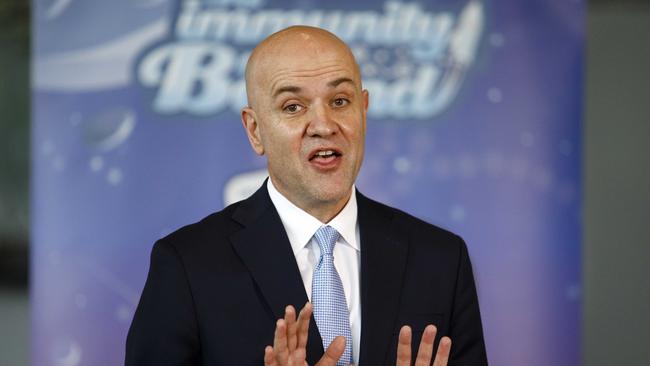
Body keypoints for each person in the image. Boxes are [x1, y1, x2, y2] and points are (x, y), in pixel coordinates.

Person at [125, 26, 487, 366]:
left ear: (364, 109)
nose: (325, 125)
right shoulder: (187, 265)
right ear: (255, 130)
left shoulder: (441, 258)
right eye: (293, 107)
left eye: (340, 100)